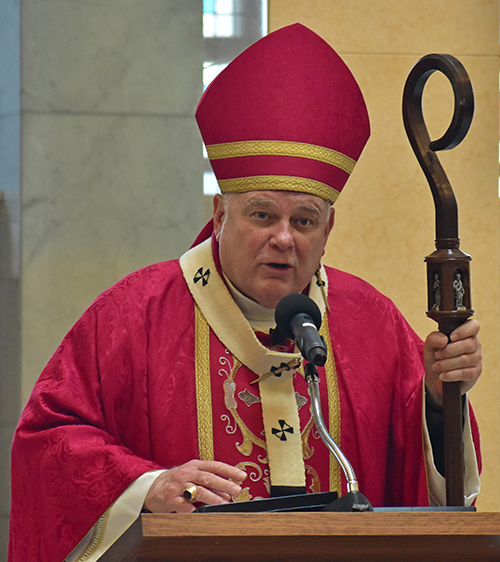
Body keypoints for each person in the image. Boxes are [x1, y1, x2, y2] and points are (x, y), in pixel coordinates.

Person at [9, 23, 481, 562]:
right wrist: (153, 487)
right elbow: (48, 442)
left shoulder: (371, 323)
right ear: (219, 215)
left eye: (304, 221)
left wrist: (443, 404)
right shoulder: (134, 316)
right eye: (262, 214)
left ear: (328, 231)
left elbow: (434, 499)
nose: (283, 238)